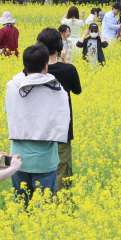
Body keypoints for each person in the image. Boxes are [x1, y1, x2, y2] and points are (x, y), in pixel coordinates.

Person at [3, 44, 70, 205]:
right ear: (46, 66)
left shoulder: (12, 87)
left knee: (21, 208)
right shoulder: (57, 90)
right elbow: (63, 120)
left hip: (18, 157)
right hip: (45, 161)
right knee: (43, 212)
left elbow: (8, 111)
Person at [37, 27, 82, 191]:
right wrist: (64, 60)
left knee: (40, 171)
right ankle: (60, 210)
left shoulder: (31, 73)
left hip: (38, 130)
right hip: (62, 130)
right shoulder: (69, 70)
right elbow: (77, 91)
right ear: (59, 46)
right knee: (62, 170)